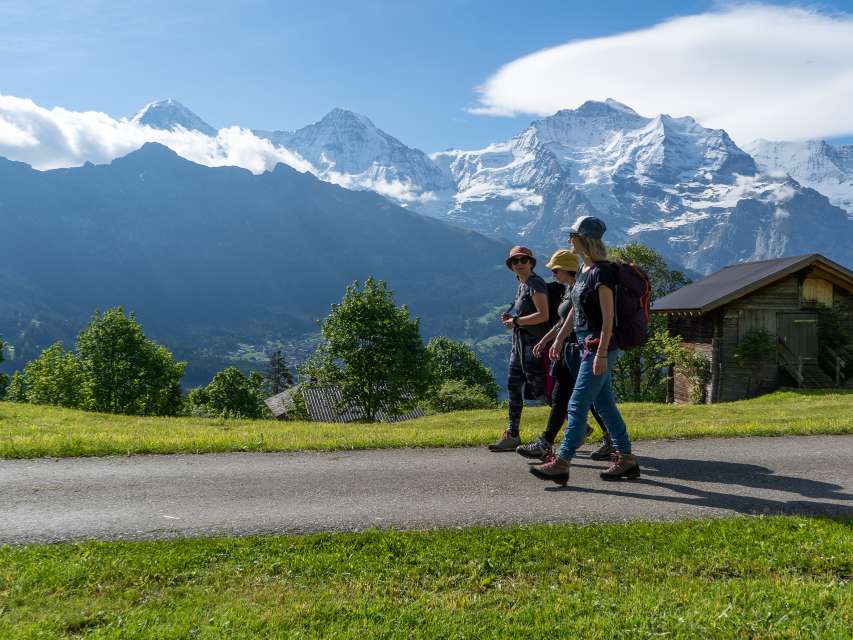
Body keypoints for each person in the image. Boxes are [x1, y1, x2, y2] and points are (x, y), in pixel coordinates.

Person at [530, 216, 639, 484]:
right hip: (584, 345)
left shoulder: (602, 272)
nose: (569, 240)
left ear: (583, 239)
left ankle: (562, 463)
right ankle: (627, 460)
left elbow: (608, 316)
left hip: (597, 347)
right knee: (605, 405)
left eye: (572, 236)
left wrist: (601, 353)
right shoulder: (584, 271)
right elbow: (574, 312)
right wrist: (558, 339)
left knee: (577, 403)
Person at [515, 249, 614, 462]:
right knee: (560, 397)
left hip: (578, 351)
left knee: (591, 399)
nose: (553, 274)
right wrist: (548, 340)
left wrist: (557, 340)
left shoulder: (579, 289)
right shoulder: (569, 290)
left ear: (567, 270)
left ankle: (610, 439)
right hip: (567, 351)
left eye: (556, 270)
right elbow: (562, 322)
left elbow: (573, 321)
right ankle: (546, 442)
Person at [488, 246, 550, 452]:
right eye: (515, 261)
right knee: (513, 387)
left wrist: (516, 320)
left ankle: (578, 426)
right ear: (511, 266)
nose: (519, 263)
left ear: (531, 263)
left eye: (523, 260)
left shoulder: (535, 283)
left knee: (542, 391)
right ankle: (512, 433)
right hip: (520, 346)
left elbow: (544, 315)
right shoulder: (522, 284)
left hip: (534, 346)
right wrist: (513, 321)